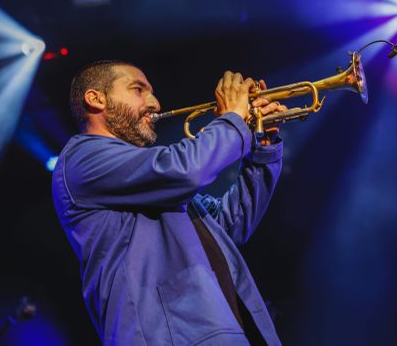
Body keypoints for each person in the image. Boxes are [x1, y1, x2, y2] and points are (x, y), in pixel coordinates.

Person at [52, 60, 287, 345]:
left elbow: (230, 223)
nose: (155, 102)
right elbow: (187, 170)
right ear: (96, 98)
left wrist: (263, 148)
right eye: (138, 89)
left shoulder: (151, 183)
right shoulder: (82, 159)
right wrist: (233, 120)